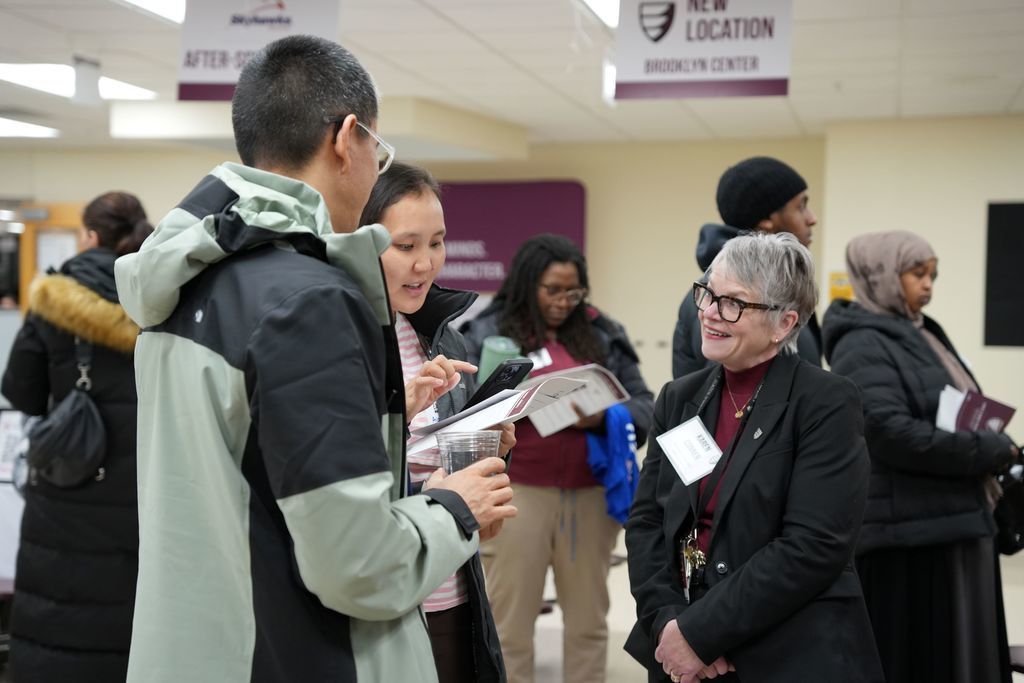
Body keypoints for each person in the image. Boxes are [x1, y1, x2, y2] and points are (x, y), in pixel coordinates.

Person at [112, 35, 516, 683]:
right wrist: (453, 505)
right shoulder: (309, 300)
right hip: (299, 654)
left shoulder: (180, 283)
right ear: (347, 139)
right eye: (377, 154)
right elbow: (358, 566)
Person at [626, 232, 883, 683]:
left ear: (784, 324)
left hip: (789, 650)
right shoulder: (680, 398)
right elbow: (647, 522)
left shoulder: (825, 402)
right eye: (707, 294)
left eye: (733, 303)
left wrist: (702, 633)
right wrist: (669, 623)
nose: (708, 313)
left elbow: (813, 545)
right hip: (682, 652)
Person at [822, 230, 1019, 683]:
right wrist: (986, 450)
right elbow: (887, 431)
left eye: (933, 274)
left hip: (950, 519)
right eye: (917, 273)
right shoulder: (861, 342)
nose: (928, 284)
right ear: (881, 275)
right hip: (909, 537)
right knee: (927, 660)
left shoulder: (921, 332)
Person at [460, 233, 654, 683]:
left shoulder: (602, 333)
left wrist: (606, 416)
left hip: (590, 497)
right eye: (553, 290)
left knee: (588, 623)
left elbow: (646, 404)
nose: (565, 301)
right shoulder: (488, 333)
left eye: (574, 291)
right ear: (528, 285)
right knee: (509, 625)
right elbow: (461, 410)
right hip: (517, 493)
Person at [358, 160, 512, 682]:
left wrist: (490, 446)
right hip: (380, 600)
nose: (426, 264)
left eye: (437, 242)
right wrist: (400, 414)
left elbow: (452, 474)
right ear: (362, 241)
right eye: (405, 246)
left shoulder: (445, 340)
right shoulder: (338, 337)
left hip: (453, 588)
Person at [2, 191, 153, 682]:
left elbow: (21, 391)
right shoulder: (160, 295)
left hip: (68, 487)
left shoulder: (52, 298)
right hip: (144, 491)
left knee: (57, 618)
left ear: (89, 236)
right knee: (131, 621)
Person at [671, 156, 821, 379]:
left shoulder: (779, 287)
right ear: (768, 220)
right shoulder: (712, 301)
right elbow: (728, 403)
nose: (812, 218)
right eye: (800, 207)